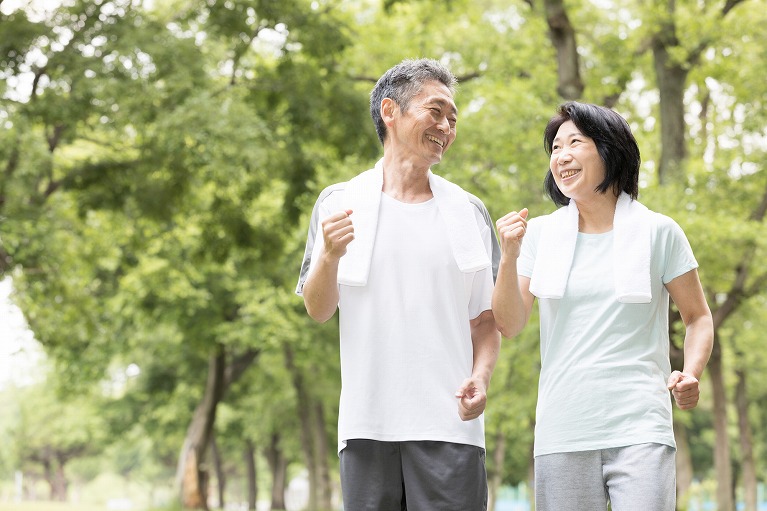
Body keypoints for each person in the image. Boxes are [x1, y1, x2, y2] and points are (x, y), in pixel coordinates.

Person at [295, 58, 501, 510]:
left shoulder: (469, 212)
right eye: (436, 111)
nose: (447, 126)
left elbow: (486, 320)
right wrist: (329, 256)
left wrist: (481, 380)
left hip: (452, 428)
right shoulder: (340, 203)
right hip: (368, 427)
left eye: (453, 117)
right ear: (390, 111)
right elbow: (318, 308)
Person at [492, 101, 714, 511]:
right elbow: (508, 323)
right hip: (564, 427)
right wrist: (508, 256)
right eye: (556, 147)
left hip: (640, 424)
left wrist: (691, 372)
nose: (561, 155)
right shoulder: (539, 235)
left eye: (575, 142)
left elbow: (698, 317)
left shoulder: (658, 232)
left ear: (610, 150)